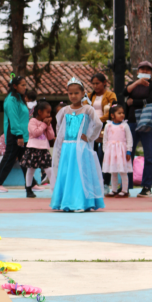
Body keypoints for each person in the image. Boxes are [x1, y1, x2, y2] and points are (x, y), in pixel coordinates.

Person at [50, 77, 105, 212]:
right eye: (70, 93)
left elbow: (98, 124)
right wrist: (61, 139)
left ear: (83, 93)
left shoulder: (87, 109)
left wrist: (90, 138)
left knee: (80, 174)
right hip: (67, 147)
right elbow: (59, 126)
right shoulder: (64, 110)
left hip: (81, 147)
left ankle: (80, 202)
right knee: (67, 173)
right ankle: (65, 201)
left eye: (76, 93)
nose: (73, 96)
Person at [0, 75, 30, 193]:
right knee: (9, 158)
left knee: (25, 159)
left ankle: (31, 183)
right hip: (15, 134)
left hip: (23, 134)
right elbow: (14, 119)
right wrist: (19, 135)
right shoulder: (11, 100)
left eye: (25, 85)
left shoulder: (20, 99)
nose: (25, 87)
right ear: (15, 86)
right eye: (22, 85)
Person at [122, 61, 152, 198]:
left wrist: (133, 102)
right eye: (142, 69)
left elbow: (151, 100)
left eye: (148, 70)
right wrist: (137, 83)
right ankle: (126, 186)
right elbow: (124, 93)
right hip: (132, 122)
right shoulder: (133, 84)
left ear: (151, 72)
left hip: (148, 123)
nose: (145, 71)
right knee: (128, 154)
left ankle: (147, 187)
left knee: (148, 155)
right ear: (137, 71)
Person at [21, 101, 55, 198]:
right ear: (40, 112)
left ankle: (54, 190)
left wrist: (49, 125)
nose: (49, 115)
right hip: (33, 148)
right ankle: (28, 189)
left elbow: (51, 136)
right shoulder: (32, 121)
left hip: (44, 149)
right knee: (31, 169)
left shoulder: (45, 123)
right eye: (47, 112)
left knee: (49, 169)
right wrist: (44, 124)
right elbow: (36, 133)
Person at [89, 73, 117, 192]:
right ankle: (94, 183)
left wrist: (98, 120)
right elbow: (85, 109)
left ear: (104, 83)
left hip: (106, 127)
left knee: (105, 156)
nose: (95, 86)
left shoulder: (111, 95)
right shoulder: (89, 96)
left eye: (98, 83)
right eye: (93, 84)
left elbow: (112, 111)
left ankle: (105, 183)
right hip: (92, 129)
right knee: (92, 155)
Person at [103, 104, 133, 198]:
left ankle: (124, 190)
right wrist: (106, 151)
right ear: (112, 115)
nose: (122, 115)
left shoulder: (125, 126)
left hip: (121, 152)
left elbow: (129, 139)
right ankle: (114, 190)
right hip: (111, 152)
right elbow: (105, 139)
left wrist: (128, 151)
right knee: (113, 171)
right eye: (119, 113)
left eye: (123, 113)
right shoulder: (108, 126)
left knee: (123, 172)